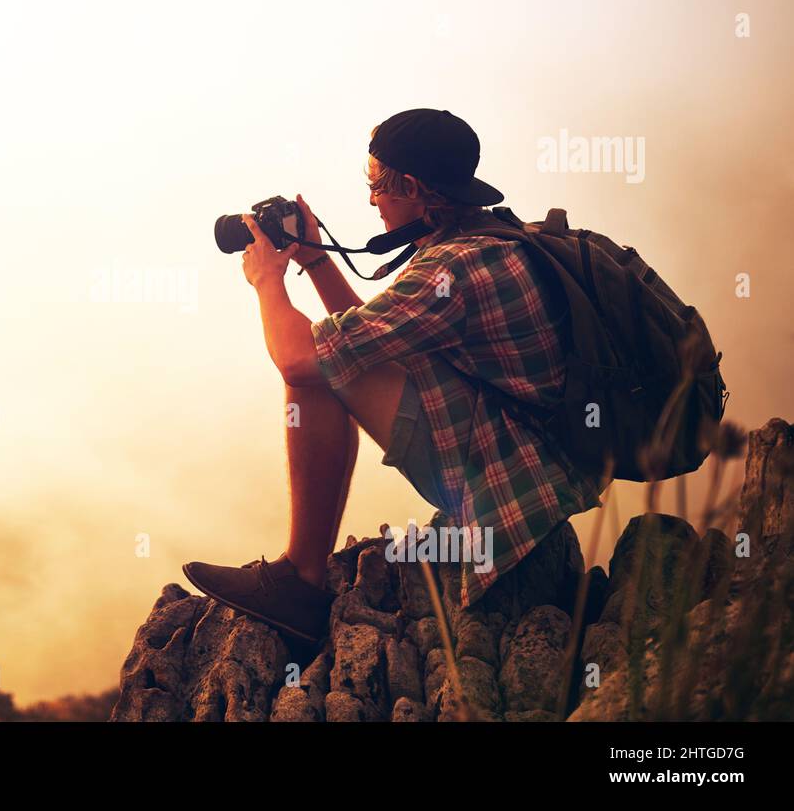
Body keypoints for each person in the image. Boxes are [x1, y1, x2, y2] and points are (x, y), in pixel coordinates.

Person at [182, 108, 607, 644]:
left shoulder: (455, 270)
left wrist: (269, 281)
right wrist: (316, 261)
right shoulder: (486, 239)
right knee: (336, 359)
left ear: (411, 186)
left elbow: (300, 360)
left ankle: (300, 581)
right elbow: (377, 342)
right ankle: (299, 578)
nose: (371, 201)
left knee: (314, 374)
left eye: (376, 186)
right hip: (533, 459)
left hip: (508, 493)